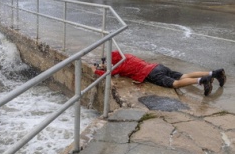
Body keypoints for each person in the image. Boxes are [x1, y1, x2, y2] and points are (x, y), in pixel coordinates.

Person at [91, 51, 226, 96]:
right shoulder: (127, 56)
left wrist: (96, 70)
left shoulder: (119, 66)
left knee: (175, 84)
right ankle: (214, 73)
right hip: (158, 67)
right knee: (183, 75)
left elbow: (109, 73)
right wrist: (106, 65)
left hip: (151, 74)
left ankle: (202, 81)